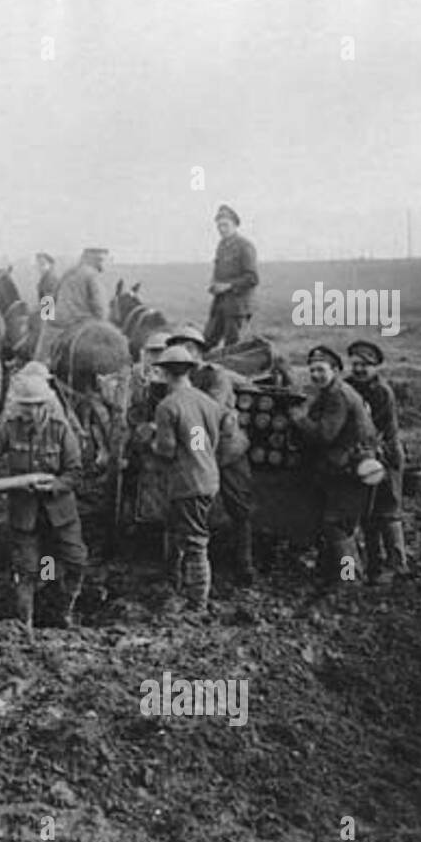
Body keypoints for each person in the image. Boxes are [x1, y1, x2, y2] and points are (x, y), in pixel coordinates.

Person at [0, 373, 86, 633]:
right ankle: (25, 625)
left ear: (45, 404)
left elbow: (75, 472)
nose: (30, 411)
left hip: (59, 514)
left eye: (35, 405)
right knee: (27, 569)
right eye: (25, 405)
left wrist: (53, 486)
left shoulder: (60, 429)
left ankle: (61, 613)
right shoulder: (10, 427)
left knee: (70, 562)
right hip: (25, 514)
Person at [166, 325, 255, 584]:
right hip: (195, 451)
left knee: (239, 507)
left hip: (226, 450)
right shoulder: (176, 379)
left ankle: (244, 565)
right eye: (180, 348)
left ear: (200, 352)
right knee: (184, 507)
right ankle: (182, 570)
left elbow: (210, 413)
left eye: (190, 348)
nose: (186, 353)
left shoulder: (216, 376)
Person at [290, 346, 379, 589]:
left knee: (338, 525)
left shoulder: (338, 395)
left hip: (350, 469)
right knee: (337, 524)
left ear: (336, 370)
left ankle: (351, 579)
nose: (316, 375)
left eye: (321, 370)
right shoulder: (331, 392)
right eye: (312, 370)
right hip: (343, 466)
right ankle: (336, 573)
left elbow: (325, 434)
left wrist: (300, 420)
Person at [150, 345, 226, 612]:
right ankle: (175, 584)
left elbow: (166, 449)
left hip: (186, 482)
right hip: (208, 476)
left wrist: (150, 439)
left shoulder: (167, 406)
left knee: (194, 542)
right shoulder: (207, 402)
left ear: (164, 372)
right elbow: (213, 440)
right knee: (178, 532)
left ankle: (197, 605)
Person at [346, 340, 409, 584]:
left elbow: (379, 430)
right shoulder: (349, 386)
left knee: (387, 511)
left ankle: (398, 564)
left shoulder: (381, 391)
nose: (360, 369)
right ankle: (373, 564)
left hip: (385, 454)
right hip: (364, 455)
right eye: (356, 364)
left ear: (375, 367)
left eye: (366, 365)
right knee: (367, 511)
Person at [203, 204, 259, 351]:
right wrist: (213, 284)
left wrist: (228, 286)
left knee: (233, 349)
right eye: (219, 226)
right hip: (220, 304)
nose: (221, 229)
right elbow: (218, 270)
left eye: (225, 225)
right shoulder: (222, 245)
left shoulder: (245, 246)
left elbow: (252, 278)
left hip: (237, 307)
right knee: (206, 342)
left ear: (235, 225)